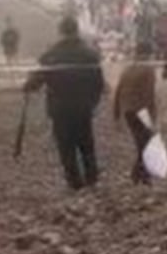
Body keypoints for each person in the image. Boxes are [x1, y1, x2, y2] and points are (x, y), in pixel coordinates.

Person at [23, 16, 105, 190]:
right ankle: (92, 179)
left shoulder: (51, 55)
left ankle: (74, 182)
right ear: (76, 30)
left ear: (60, 31)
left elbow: (36, 81)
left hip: (60, 108)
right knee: (86, 143)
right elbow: (99, 83)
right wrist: (93, 103)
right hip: (83, 107)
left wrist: (28, 85)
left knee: (66, 146)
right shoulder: (90, 54)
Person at [113, 42, 158, 185]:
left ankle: (141, 174)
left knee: (142, 142)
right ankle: (138, 173)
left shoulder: (128, 69)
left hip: (127, 110)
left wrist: (116, 113)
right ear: (149, 54)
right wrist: (152, 115)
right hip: (141, 109)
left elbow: (118, 91)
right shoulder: (148, 70)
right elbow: (148, 94)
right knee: (146, 142)